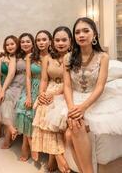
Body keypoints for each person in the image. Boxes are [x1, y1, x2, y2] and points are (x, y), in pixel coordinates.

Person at [63, 17, 109, 173]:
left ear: (94, 34)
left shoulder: (103, 57)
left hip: (94, 100)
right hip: (72, 99)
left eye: (85, 30)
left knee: (73, 132)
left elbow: (101, 86)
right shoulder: (68, 57)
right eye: (77, 32)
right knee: (72, 131)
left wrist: (83, 107)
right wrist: (71, 108)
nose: (81, 35)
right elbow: (67, 85)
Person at [32, 26, 72, 173]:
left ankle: (54, 156)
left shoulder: (73, 57)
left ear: (70, 41)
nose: (60, 43)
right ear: (52, 42)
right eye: (57, 40)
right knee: (42, 107)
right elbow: (43, 79)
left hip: (65, 91)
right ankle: (54, 155)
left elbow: (70, 82)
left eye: (64, 40)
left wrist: (53, 95)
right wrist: (42, 93)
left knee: (54, 112)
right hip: (49, 88)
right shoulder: (47, 58)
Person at [15, 30, 52, 161]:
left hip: (47, 88)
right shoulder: (31, 56)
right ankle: (28, 145)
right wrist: (29, 96)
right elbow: (28, 77)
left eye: (44, 40)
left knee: (35, 111)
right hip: (31, 87)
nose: (41, 42)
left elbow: (48, 79)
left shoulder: (52, 57)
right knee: (24, 107)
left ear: (49, 41)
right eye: (38, 40)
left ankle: (28, 145)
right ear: (36, 42)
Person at [0, 33, 34, 148]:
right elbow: (10, 73)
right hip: (15, 84)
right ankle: (10, 130)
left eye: (28, 42)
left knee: (9, 99)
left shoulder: (35, 55)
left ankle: (9, 134)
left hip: (27, 85)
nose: (25, 44)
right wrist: (2, 89)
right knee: (4, 97)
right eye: (23, 42)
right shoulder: (16, 56)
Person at [0, 35, 19, 145]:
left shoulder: (18, 57)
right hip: (1, 84)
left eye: (12, 44)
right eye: (7, 44)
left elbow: (11, 74)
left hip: (13, 84)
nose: (10, 46)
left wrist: (3, 91)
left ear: (17, 44)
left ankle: (4, 131)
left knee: (4, 97)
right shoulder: (1, 58)